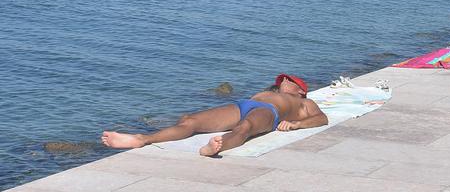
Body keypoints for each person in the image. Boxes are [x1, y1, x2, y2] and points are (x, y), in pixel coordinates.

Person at [101, 74, 327, 157]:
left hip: (269, 113)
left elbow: (321, 119)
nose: (283, 82)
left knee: (245, 127)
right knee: (190, 120)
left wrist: (296, 124)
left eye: (289, 81)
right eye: (281, 81)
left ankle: (216, 147)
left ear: (300, 90)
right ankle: (142, 138)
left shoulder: (304, 103)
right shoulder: (269, 92)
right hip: (242, 104)